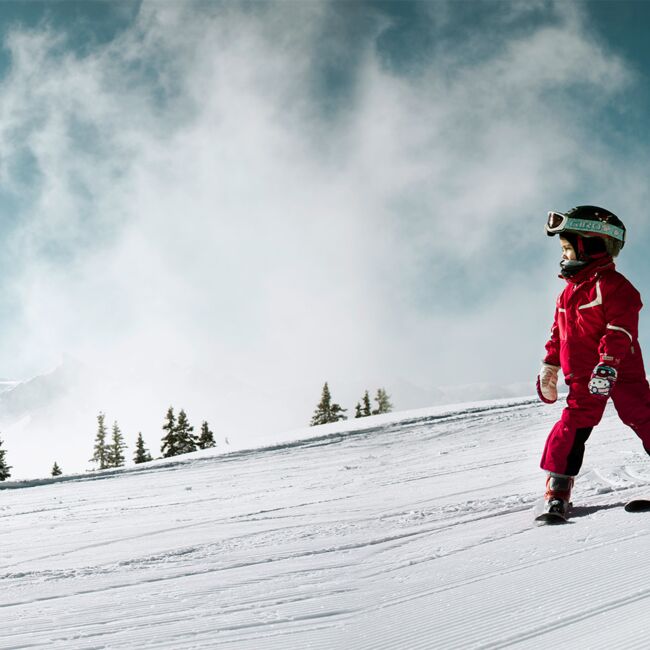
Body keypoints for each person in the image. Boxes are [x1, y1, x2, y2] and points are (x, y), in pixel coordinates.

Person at [537, 205, 650, 517]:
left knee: (643, 416)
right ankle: (558, 490)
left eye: (569, 249)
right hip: (582, 376)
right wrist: (550, 365)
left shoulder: (616, 287)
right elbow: (558, 332)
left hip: (619, 372)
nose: (565, 256)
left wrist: (609, 363)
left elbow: (620, 329)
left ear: (593, 246)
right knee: (572, 425)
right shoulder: (567, 293)